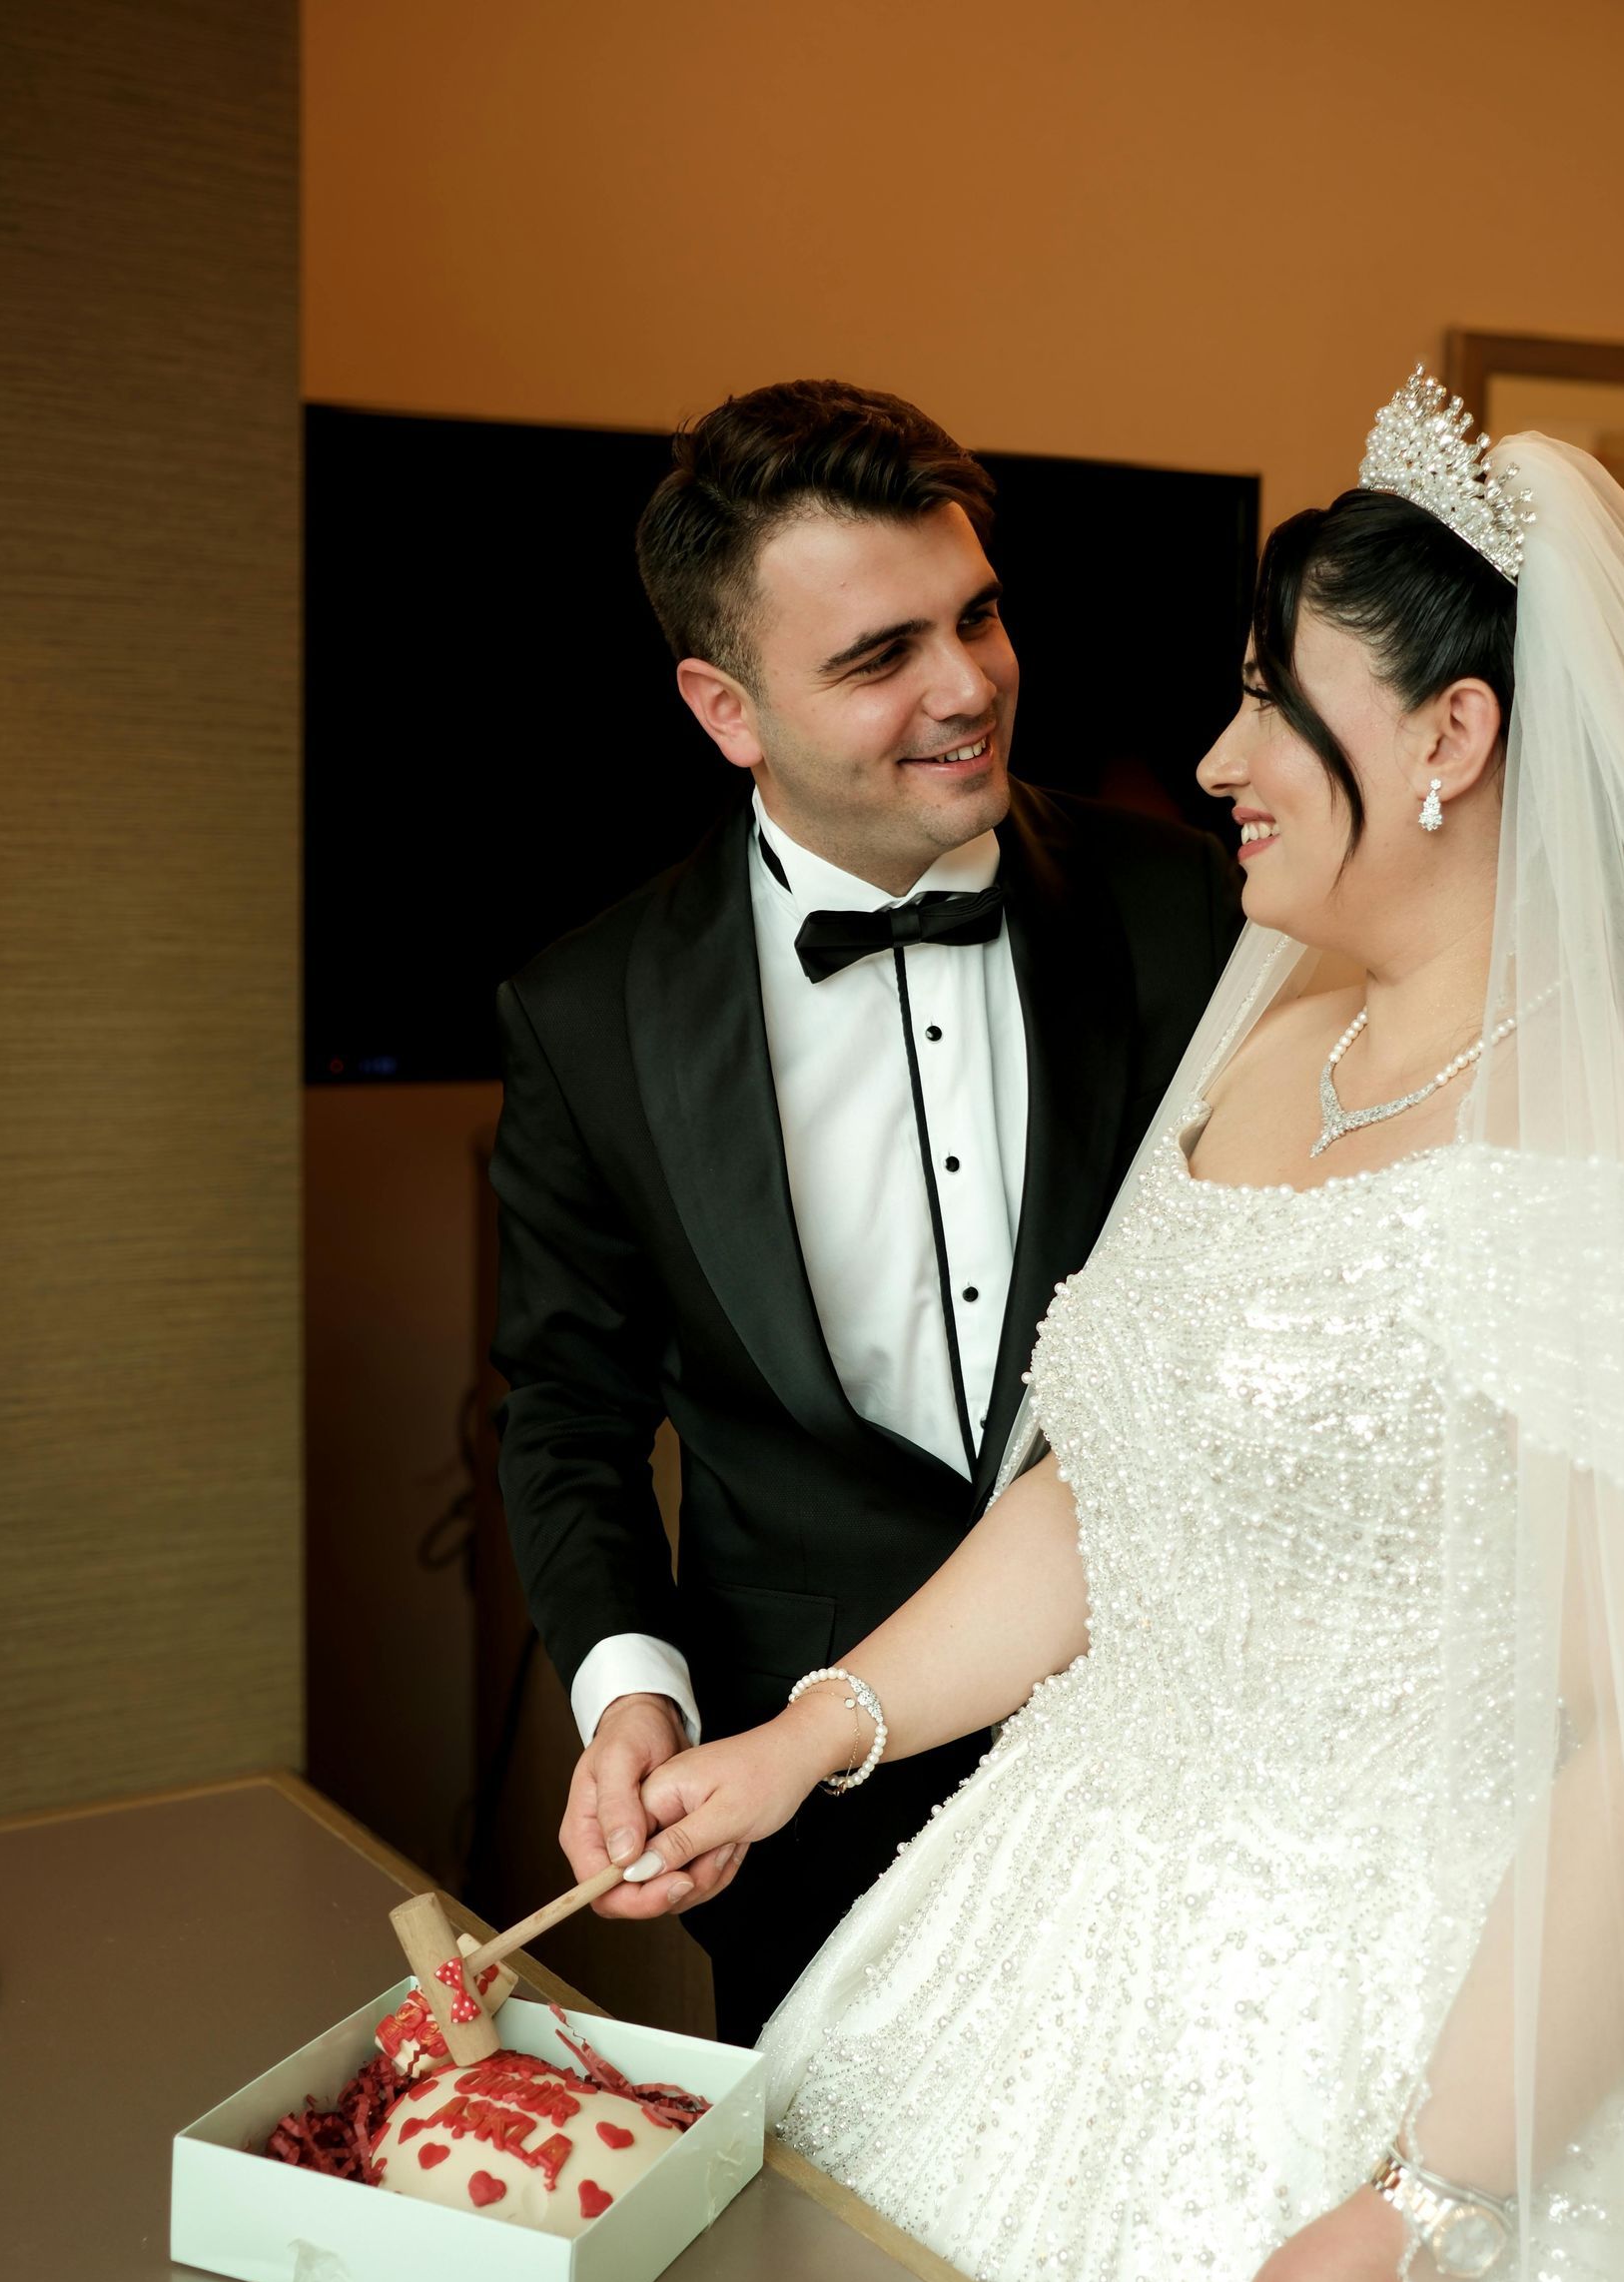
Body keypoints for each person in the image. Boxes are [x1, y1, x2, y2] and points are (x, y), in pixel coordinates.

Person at [613, 370, 1624, 2282]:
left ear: (1449, 740)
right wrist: (805, 1734)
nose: (1208, 762)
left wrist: (1431, 2210)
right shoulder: (1278, 1048)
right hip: (1061, 1931)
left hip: (1464, 2002)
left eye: (1264, 705)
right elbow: (1114, 1496)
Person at [488, 379, 1241, 2045]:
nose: (967, 684)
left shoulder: (1190, 904)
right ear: (725, 705)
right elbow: (571, 1409)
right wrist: (632, 1691)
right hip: (799, 1809)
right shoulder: (587, 1011)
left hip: (1175, 1748)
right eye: (878, 654)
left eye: (975, 615)